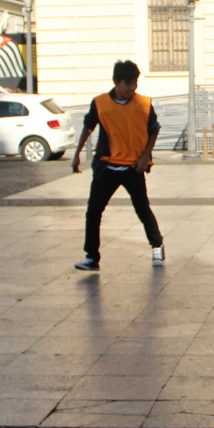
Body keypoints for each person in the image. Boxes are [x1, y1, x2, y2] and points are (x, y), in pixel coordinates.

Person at [70, 59, 165, 271]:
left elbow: (154, 129)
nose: (132, 88)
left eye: (135, 83)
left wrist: (145, 157)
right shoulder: (100, 103)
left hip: (133, 168)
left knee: (142, 209)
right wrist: (76, 155)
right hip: (107, 166)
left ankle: (157, 245)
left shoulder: (144, 104)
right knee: (93, 211)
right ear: (116, 82)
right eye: (128, 83)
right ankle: (91, 257)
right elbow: (88, 127)